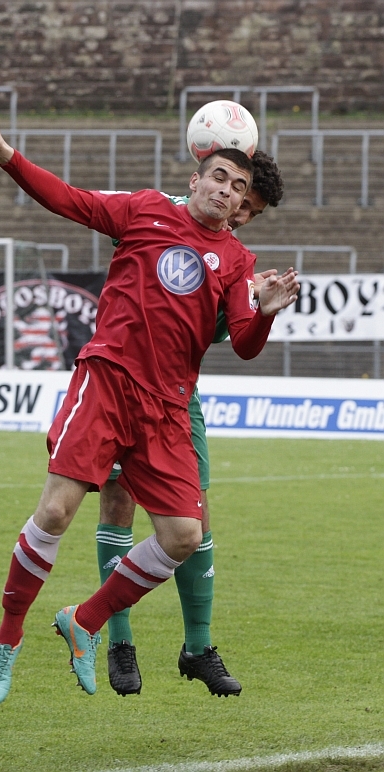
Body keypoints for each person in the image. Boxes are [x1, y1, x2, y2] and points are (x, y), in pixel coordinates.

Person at [0, 112, 299, 703]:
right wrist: (6, 156)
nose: (227, 191)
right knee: (56, 512)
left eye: (238, 188)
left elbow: (245, 344)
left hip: (168, 408)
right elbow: (69, 200)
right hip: (108, 382)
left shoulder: (238, 262)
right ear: (195, 179)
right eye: (219, 178)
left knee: (183, 535)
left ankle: (86, 621)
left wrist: (266, 313)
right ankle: (7, 639)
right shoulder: (144, 209)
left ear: (241, 204)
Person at [98, 151, 285, 698]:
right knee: (117, 502)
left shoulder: (235, 259)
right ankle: (119, 640)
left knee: (194, 515)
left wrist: (253, 305)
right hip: (123, 381)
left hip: (178, 396)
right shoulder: (164, 215)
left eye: (251, 210)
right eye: (241, 202)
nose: (240, 214)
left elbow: (227, 335)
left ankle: (198, 648)